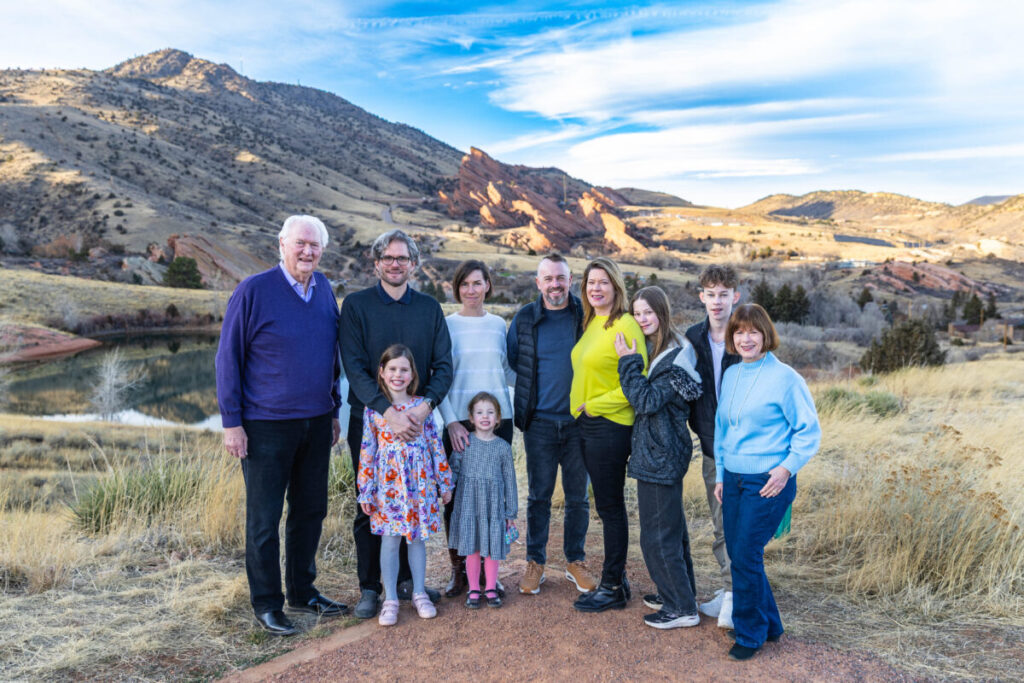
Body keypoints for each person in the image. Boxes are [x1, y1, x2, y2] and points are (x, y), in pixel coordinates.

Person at [215, 215, 347, 637]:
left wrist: (333, 411)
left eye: (315, 246)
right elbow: (227, 359)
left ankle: (303, 591)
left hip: (315, 421)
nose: (308, 252)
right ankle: (268, 603)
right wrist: (232, 423)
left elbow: (331, 359)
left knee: (310, 511)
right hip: (265, 425)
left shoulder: (324, 290)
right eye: (301, 244)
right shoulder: (253, 291)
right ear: (282, 244)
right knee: (264, 518)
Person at [339, 229, 453, 619]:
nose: (394, 263)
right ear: (376, 263)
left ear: (412, 264)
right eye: (387, 257)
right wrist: (385, 411)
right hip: (371, 420)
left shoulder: (429, 308)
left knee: (413, 503)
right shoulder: (356, 306)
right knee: (373, 504)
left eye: (402, 258)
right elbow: (353, 366)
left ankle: (407, 583)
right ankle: (372, 588)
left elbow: (444, 366)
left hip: (418, 421)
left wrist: (424, 410)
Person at [713, 304, 821, 660]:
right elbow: (721, 430)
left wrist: (787, 468)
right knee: (740, 553)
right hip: (734, 479)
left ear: (765, 335)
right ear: (732, 337)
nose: (746, 339)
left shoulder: (786, 378)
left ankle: (750, 634)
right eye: (739, 332)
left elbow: (809, 431)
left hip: (769, 480)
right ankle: (771, 624)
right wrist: (720, 474)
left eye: (753, 332)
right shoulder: (731, 375)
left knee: (745, 554)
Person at [507, 253, 596, 597]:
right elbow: (517, 360)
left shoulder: (584, 316)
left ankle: (575, 561)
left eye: (561, 278)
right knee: (539, 497)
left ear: (570, 280)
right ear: (538, 283)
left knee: (577, 497)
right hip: (540, 424)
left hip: (579, 423)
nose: (555, 285)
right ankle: (535, 563)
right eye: (549, 279)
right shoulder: (525, 319)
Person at [614, 286, 703, 629]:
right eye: (637, 314)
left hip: (660, 454)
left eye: (647, 312)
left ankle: (681, 608)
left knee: (656, 535)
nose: (642, 319)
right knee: (672, 530)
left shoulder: (674, 357)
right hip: (661, 450)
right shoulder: (666, 348)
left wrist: (628, 363)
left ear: (661, 312)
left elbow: (647, 401)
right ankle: (681, 593)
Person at [570, 257, 647, 612]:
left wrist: (594, 406)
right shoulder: (593, 322)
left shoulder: (625, 325)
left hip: (611, 425)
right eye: (590, 283)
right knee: (607, 505)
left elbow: (635, 383)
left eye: (603, 282)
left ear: (616, 286)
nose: (596, 288)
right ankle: (617, 579)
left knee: (611, 507)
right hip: (590, 425)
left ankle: (613, 585)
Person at [358, 344, 454, 626]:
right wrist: (366, 489)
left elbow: (436, 446)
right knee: (390, 539)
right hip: (389, 486)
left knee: (417, 538)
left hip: (419, 484)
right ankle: (390, 599)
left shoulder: (422, 407)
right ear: (382, 373)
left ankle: (420, 592)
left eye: (404, 369)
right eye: (392, 369)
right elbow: (367, 451)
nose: (398, 375)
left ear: (412, 374)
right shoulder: (375, 410)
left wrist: (444, 483)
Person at [438, 260, 515, 598]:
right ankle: (460, 572)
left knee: (492, 499)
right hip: (458, 422)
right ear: (457, 288)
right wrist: (452, 420)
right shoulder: (446, 325)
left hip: (498, 421)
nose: (471, 290)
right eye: (464, 284)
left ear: (488, 286)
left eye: (477, 283)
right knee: (457, 501)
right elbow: (438, 376)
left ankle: (489, 572)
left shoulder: (500, 325)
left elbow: (509, 371)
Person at [679, 264, 742, 628]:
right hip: (711, 449)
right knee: (720, 523)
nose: (717, 301)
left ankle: (737, 596)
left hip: (745, 451)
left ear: (735, 296)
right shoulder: (693, 337)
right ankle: (729, 590)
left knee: (737, 523)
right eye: (710, 294)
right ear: (701, 296)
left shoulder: (746, 333)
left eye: (724, 294)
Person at [447, 392, 518, 609]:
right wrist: (445, 489)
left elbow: (510, 481)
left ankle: (490, 588)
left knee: (492, 547)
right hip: (468, 505)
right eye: (479, 412)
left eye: (490, 412)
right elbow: (453, 472)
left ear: (498, 418)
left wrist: (510, 512)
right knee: (472, 548)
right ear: (471, 418)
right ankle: (474, 589)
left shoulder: (503, 448)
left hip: (493, 507)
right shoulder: (464, 443)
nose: (485, 416)